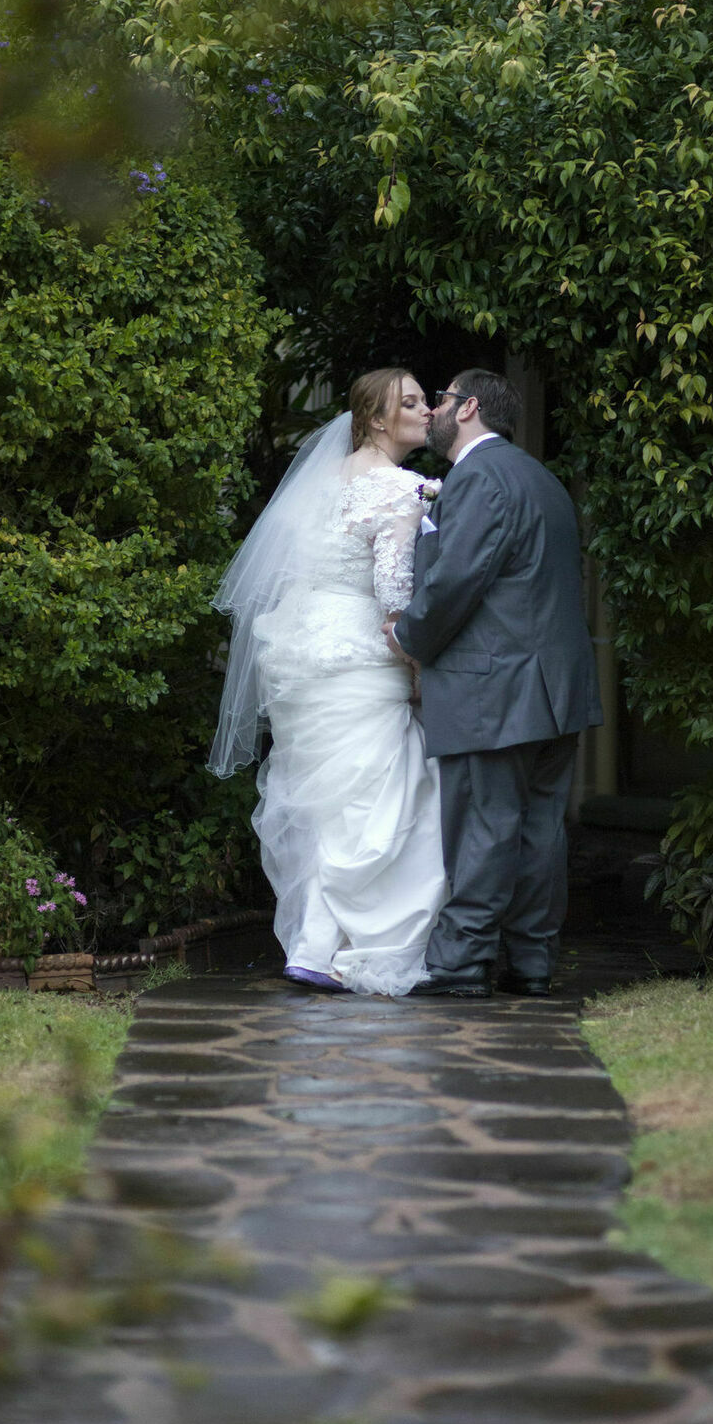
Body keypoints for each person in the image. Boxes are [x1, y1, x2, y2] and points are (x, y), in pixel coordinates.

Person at [208, 370, 446, 995]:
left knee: (325, 802)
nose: (428, 411)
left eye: (427, 400)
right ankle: (337, 946)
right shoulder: (402, 491)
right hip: (360, 654)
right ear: (375, 419)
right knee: (379, 798)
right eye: (412, 403)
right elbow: (395, 597)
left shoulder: (318, 487)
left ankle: (313, 947)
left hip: (299, 652)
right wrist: (419, 667)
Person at [386, 369, 602, 998]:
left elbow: (456, 580)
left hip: (495, 687)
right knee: (538, 831)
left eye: (444, 400)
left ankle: (462, 964)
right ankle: (532, 963)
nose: (435, 412)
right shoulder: (540, 476)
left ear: (471, 407)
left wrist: (406, 637)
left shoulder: (480, 476)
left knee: (484, 824)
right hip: (554, 689)